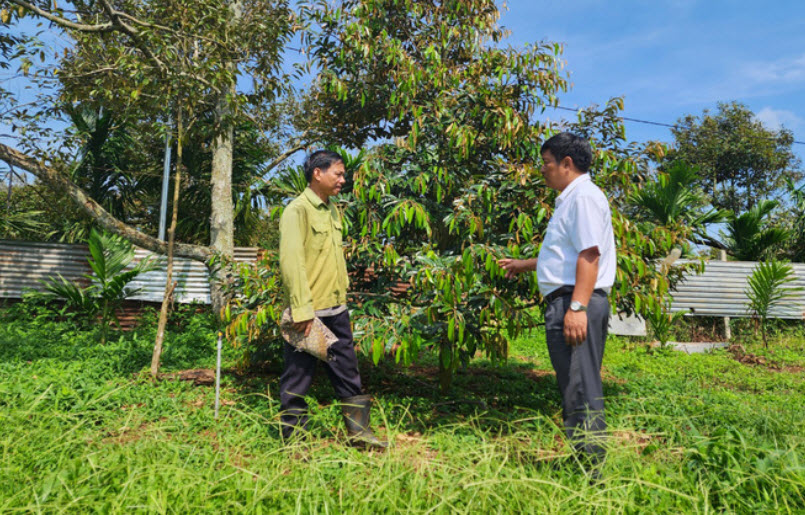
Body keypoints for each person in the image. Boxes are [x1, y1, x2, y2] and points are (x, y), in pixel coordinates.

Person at [499, 132, 616, 462]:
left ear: (567, 163)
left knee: (580, 388)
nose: (543, 170)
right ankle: (583, 460)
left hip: (574, 301)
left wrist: (577, 307)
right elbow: (568, 254)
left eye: (547, 163)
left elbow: (590, 255)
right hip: (568, 299)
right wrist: (526, 265)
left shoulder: (583, 198)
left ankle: (591, 472)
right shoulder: (572, 199)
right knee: (573, 386)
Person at [278, 149, 387, 449]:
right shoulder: (297, 211)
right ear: (318, 173)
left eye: (343, 174)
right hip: (308, 314)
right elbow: (292, 262)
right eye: (338, 173)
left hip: (336, 309)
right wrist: (301, 309)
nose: (343, 179)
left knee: (348, 373)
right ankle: (295, 443)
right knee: (297, 380)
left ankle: (360, 435)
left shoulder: (333, 210)